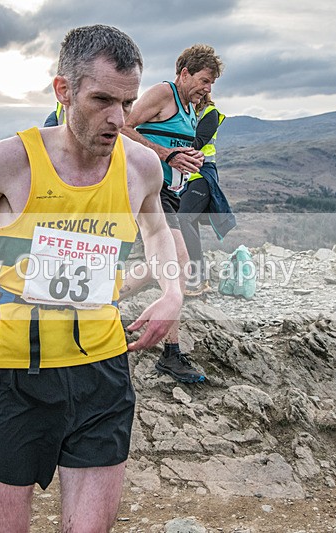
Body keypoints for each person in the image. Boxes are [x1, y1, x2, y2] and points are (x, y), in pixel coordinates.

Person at [0, 25, 182, 533]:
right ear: (64, 91)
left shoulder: (142, 166)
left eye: (126, 103)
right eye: (102, 100)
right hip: (15, 371)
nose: (118, 119)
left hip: (102, 369)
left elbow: (157, 230)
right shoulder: (13, 159)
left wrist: (172, 292)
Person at [119, 44, 223, 383]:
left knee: (162, 266)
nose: (207, 88)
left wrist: (190, 158)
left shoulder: (193, 109)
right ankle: (171, 353)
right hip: (148, 187)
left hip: (171, 193)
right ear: (185, 73)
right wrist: (166, 155)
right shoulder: (165, 93)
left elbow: (175, 145)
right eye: (204, 80)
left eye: (211, 83)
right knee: (176, 260)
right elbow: (123, 127)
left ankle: (102, 299)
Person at [178, 92, 231, 297]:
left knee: (183, 218)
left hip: (202, 175)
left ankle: (198, 276)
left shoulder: (210, 113)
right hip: (185, 176)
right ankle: (195, 275)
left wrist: (165, 144)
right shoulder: (185, 112)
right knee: (188, 221)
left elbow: (197, 143)